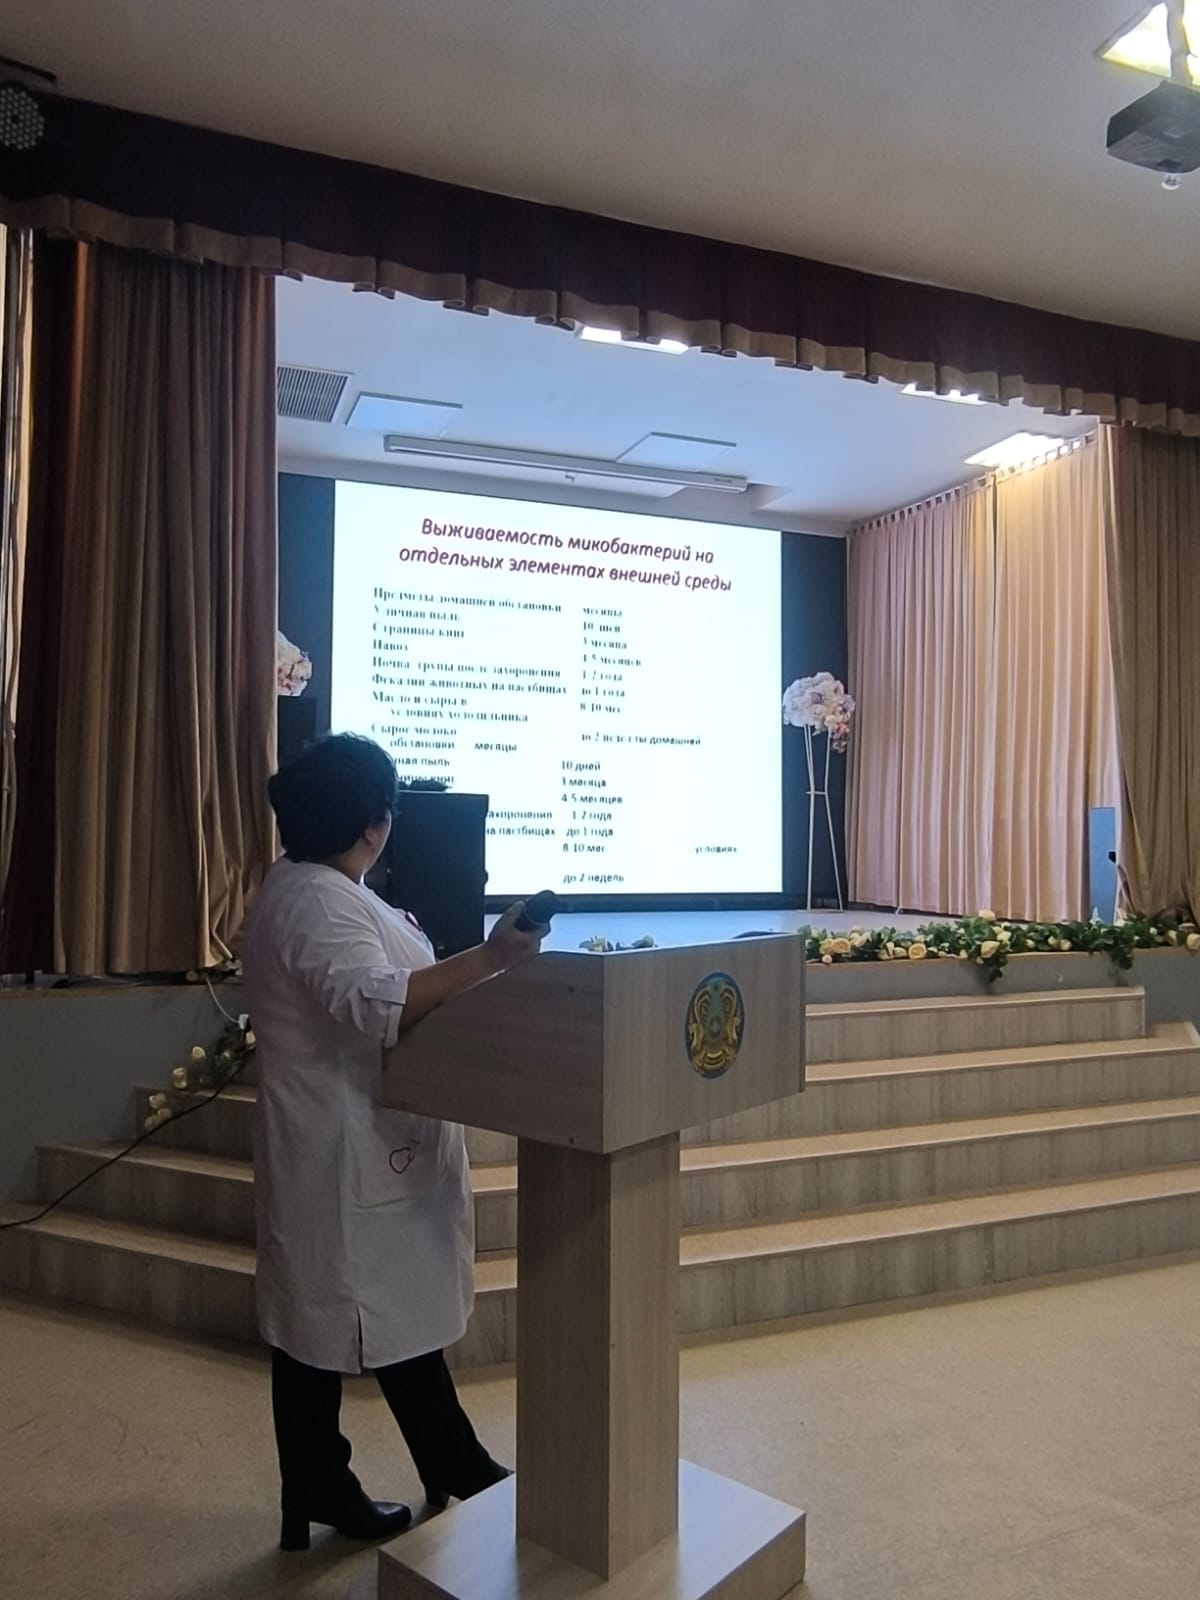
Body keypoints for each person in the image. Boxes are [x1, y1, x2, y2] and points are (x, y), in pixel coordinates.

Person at [240, 733, 546, 1552]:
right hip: (343, 1143)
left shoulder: (314, 886)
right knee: (361, 1308)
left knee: (335, 1314)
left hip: (358, 1135)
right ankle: (440, 1464)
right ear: (375, 824)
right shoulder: (317, 899)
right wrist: (493, 955)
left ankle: (331, 1477)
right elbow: (379, 1003)